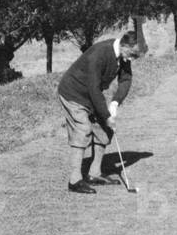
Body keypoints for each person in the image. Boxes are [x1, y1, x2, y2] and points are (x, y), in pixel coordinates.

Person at [57, 30, 145, 194]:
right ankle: (74, 180)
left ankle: (94, 174)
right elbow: (93, 88)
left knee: (104, 129)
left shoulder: (123, 55)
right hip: (73, 93)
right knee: (83, 129)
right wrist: (106, 115)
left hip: (91, 94)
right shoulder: (101, 53)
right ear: (125, 45)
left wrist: (115, 103)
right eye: (131, 55)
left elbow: (126, 79)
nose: (130, 60)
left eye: (134, 57)